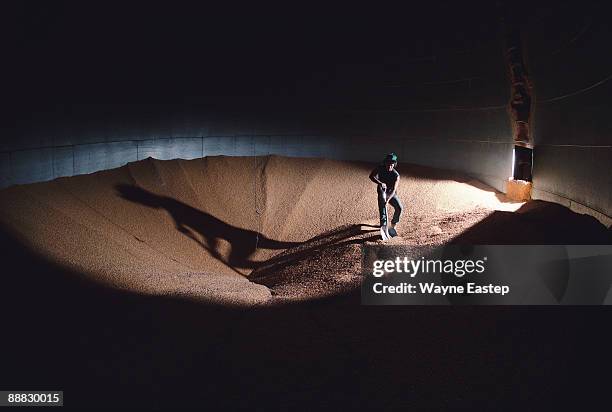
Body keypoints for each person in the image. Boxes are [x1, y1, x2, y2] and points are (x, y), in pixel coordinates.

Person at [369, 153, 403, 234]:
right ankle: (383, 226)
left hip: (391, 193)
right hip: (382, 191)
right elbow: (371, 176)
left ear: (394, 164)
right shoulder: (380, 168)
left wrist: (388, 199)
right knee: (383, 209)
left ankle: (393, 225)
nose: (389, 166)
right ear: (385, 163)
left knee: (399, 208)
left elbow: (394, 189)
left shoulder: (396, 175)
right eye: (388, 164)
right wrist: (380, 183)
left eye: (391, 164)